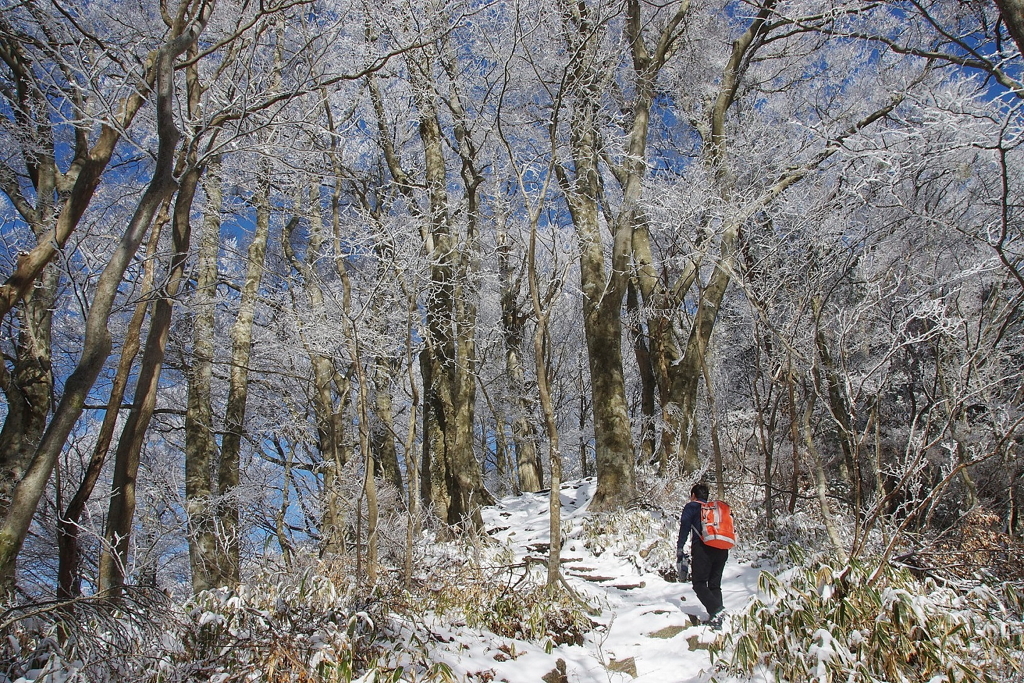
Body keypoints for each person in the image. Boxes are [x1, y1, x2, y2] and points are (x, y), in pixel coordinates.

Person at [677, 482, 728, 626]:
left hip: (703, 549)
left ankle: (717, 611)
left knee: (699, 583)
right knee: (714, 585)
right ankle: (718, 620)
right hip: (722, 547)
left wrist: (680, 548)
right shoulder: (715, 510)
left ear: (693, 495)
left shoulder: (692, 507)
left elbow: (685, 527)